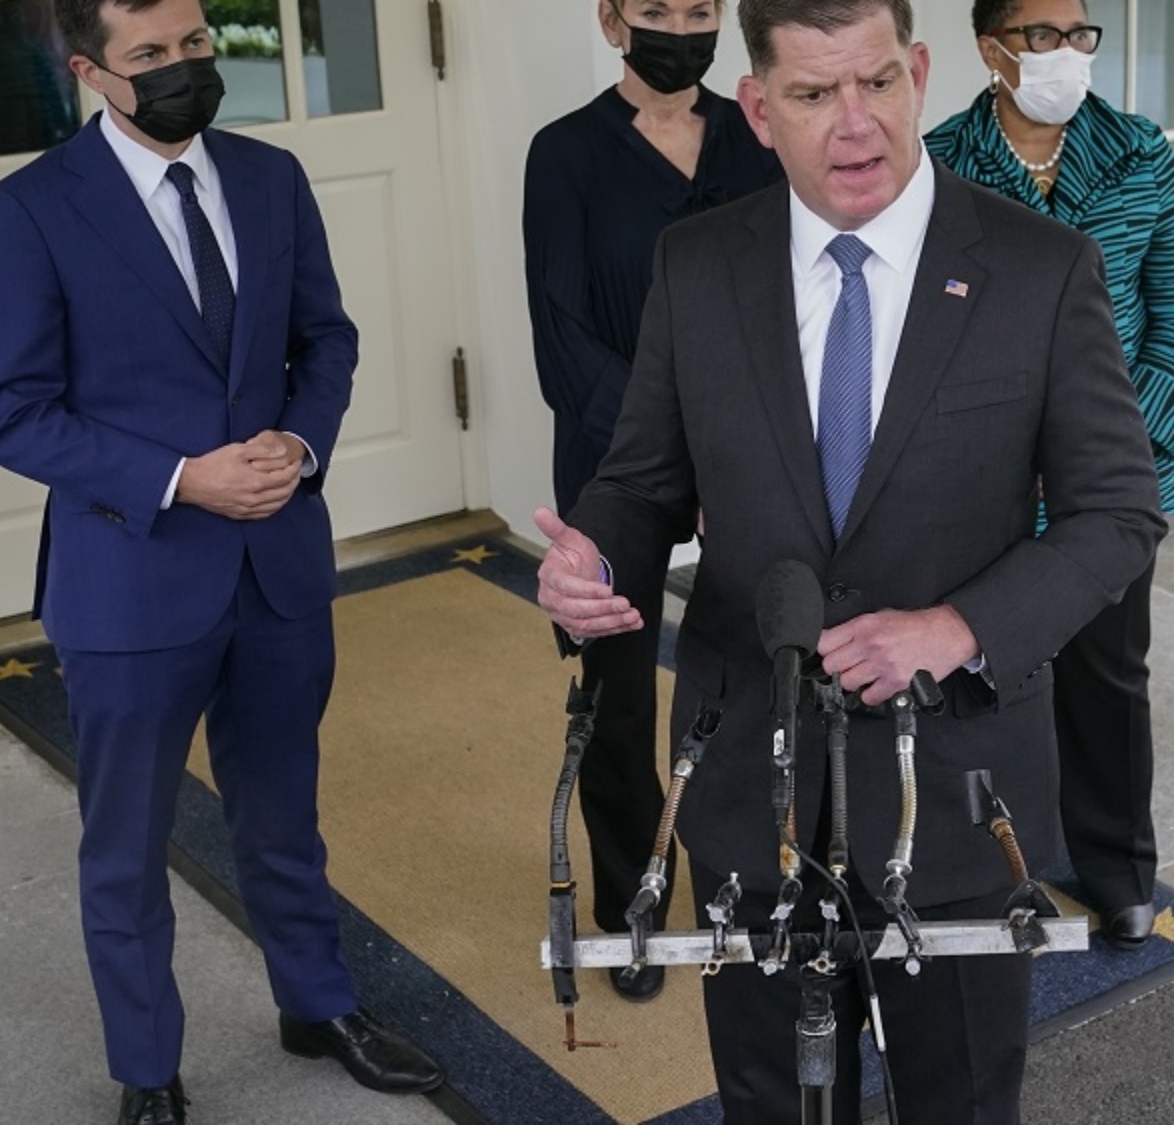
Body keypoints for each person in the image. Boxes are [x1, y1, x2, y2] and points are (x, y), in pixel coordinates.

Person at [533, 0, 1164, 1118]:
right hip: (747, 780)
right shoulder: (697, 264)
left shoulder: (1040, 267)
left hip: (959, 791)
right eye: (814, 94)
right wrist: (595, 558)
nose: (855, 122)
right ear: (757, 109)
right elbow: (641, 483)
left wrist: (959, 628)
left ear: (917, 72)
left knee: (959, 1098)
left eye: (876, 82)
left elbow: (1116, 512)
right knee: (774, 1102)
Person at [0, 2, 443, 1120]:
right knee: (127, 846)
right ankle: (148, 1070)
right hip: (128, 583)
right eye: (151, 55)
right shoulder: (27, 210)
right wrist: (182, 477)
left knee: (282, 813)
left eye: (194, 45)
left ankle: (317, 1005)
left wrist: (300, 444)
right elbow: (10, 412)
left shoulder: (270, 177)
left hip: (277, 566)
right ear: (91, 73)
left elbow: (326, 338)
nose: (183, 67)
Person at [924, 0, 1174, 948]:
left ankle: (1119, 866)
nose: (1065, 52)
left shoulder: (1139, 152)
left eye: (1079, 34)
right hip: (984, 484)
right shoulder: (939, 163)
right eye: (1040, 36)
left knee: (1109, 677)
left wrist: (1109, 457)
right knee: (990, 682)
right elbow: (925, 336)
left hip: (1112, 482)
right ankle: (1006, 865)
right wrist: (1004, 467)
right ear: (991, 48)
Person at [522, 0, 781, 1004]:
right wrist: (673, 450)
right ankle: (629, 904)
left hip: (752, 450)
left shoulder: (757, 134)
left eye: (699, 8)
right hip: (613, 459)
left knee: (754, 669)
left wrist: (733, 454)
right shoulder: (565, 155)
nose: (681, 25)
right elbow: (561, 337)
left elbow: (785, 306)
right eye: (656, 9)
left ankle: (752, 878)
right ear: (611, 18)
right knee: (618, 695)